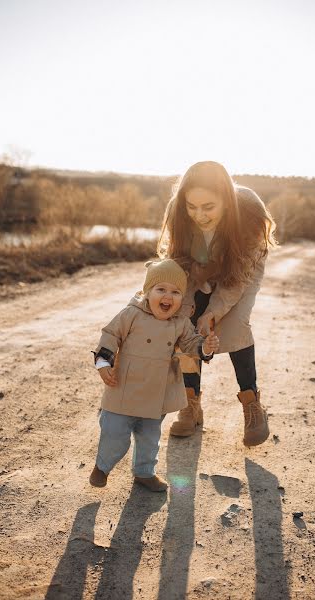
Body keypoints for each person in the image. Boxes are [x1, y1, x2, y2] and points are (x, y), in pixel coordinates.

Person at [157, 161, 277, 447]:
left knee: (234, 326)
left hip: (241, 268)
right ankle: (191, 403)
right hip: (197, 266)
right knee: (183, 325)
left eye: (209, 207)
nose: (199, 215)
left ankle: (251, 402)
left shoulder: (247, 213)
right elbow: (179, 269)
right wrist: (184, 313)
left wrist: (213, 312)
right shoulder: (179, 212)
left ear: (227, 200)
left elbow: (235, 281)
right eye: (192, 207)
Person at [89, 259, 219, 492]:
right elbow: (110, 335)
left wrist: (206, 347)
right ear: (147, 292)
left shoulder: (180, 323)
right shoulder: (131, 314)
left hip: (155, 394)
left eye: (175, 292)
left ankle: (144, 472)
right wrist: (103, 363)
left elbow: (191, 344)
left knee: (149, 438)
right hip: (123, 388)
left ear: (182, 298)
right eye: (161, 290)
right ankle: (102, 466)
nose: (168, 297)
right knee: (115, 434)